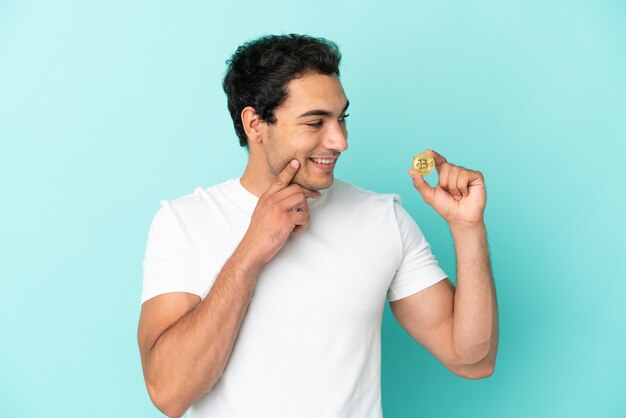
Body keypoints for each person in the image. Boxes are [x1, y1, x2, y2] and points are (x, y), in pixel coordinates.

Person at [137, 34, 498, 418]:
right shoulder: (183, 221)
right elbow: (169, 393)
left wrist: (467, 227)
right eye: (316, 122)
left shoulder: (381, 218)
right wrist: (251, 250)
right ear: (255, 123)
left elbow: (472, 360)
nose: (340, 140)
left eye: (341, 118)